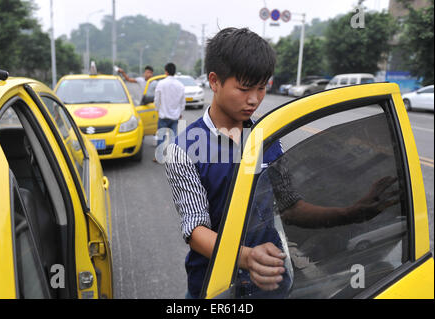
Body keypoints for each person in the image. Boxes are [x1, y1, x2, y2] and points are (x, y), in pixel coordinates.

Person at [164, 27, 398, 299]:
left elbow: (291, 208)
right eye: (243, 88)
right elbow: (195, 229)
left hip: (272, 285)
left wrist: (353, 212)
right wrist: (247, 257)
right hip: (215, 287)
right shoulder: (183, 150)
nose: (254, 99)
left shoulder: (269, 138)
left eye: (261, 88)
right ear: (214, 82)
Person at [153, 62, 185, 162]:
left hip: (163, 115)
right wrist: (180, 112)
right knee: (173, 137)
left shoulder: (161, 84)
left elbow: (157, 99)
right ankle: (172, 158)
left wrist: (157, 109)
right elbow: (182, 101)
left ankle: (159, 157)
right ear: (174, 72)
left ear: (166, 71)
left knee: (161, 137)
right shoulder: (180, 85)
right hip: (175, 116)